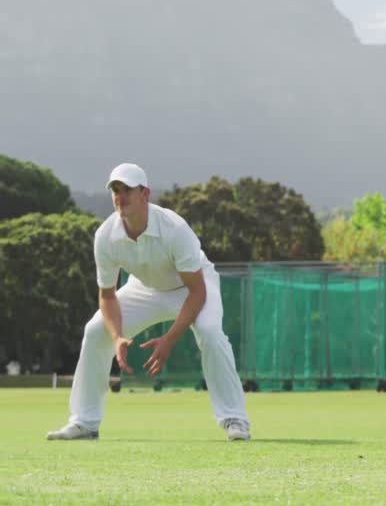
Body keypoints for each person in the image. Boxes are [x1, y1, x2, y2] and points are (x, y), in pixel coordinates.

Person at [46, 163, 251, 441]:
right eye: (116, 190)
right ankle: (85, 422)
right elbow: (107, 295)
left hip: (192, 286)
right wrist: (117, 337)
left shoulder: (174, 228)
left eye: (127, 190)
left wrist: (169, 339)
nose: (120, 197)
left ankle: (235, 419)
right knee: (96, 331)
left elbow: (197, 292)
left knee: (210, 332)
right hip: (144, 287)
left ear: (145, 194)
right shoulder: (105, 236)